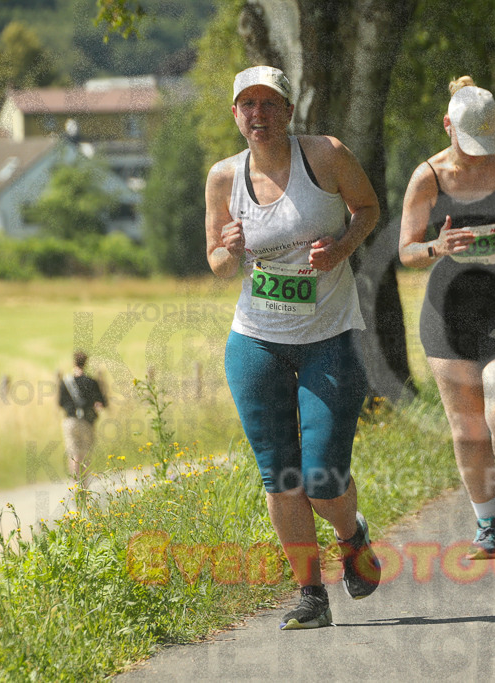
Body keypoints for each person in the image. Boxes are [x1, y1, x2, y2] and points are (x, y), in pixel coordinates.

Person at [205, 65, 381, 630]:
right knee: (278, 474)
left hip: (331, 337)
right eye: (246, 105)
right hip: (255, 341)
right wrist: (228, 250)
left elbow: (369, 210)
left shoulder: (326, 155)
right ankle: (310, 594)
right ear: (235, 114)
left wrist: (343, 247)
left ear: (287, 110)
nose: (257, 115)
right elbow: (214, 261)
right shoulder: (221, 177)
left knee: (323, 474)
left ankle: (352, 538)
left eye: (268, 104)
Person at [398, 76, 495, 559]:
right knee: (467, 430)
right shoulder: (428, 175)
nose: (479, 153)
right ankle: (488, 526)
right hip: (448, 315)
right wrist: (435, 247)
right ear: (447, 126)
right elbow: (406, 249)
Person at [57, 350, 107, 495]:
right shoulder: (91, 382)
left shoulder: (65, 382)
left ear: (74, 362)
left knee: (73, 453)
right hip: (86, 422)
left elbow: (60, 403)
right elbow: (103, 402)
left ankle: (75, 486)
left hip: (70, 422)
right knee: (85, 454)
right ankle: (84, 485)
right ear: (86, 363)